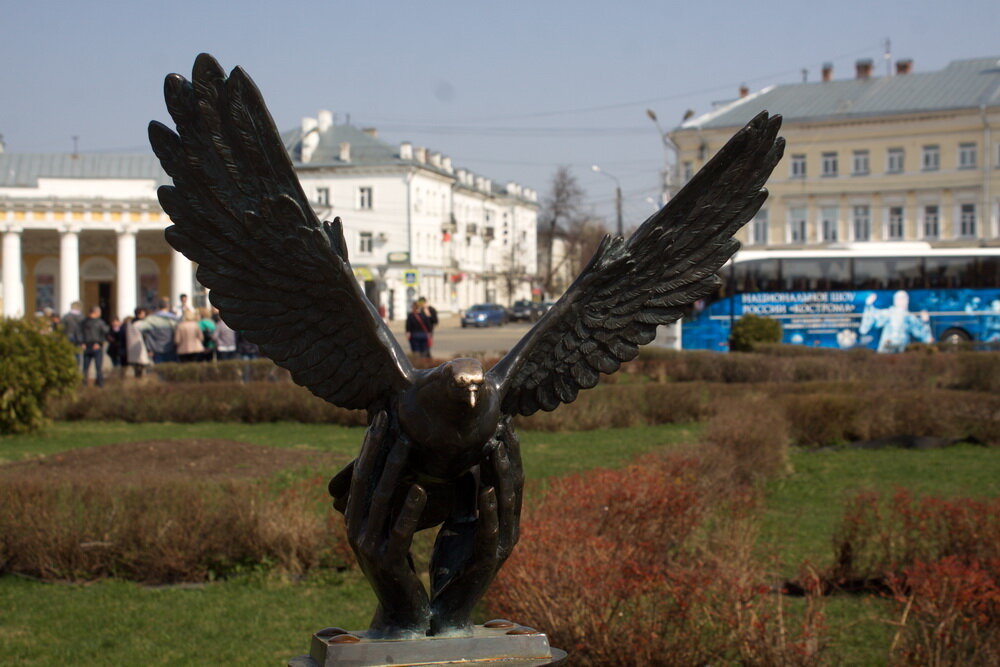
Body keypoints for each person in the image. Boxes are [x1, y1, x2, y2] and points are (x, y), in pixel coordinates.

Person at [859, 290, 934, 353]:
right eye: (899, 298)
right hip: (886, 352)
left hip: (902, 353)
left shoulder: (910, 317)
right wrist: (869, 305)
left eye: (904, 298)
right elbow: (866, 327)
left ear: (907, 300)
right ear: (895, 300)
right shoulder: (889, 313)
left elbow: (925, 336)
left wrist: (925, 322)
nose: (901, 300)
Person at [136, 297, 179, 363]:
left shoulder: (151, 319)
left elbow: (138, 327)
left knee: (159, 370)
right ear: (168, 307)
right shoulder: (174, 319)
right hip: (171, 348)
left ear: (158, 307)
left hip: (157, 350)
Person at [80, 305, 110, 387]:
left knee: (98, 367)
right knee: (86, 367)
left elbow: (105, 332)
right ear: (96, 312)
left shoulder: (98, 322)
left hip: (96, 346)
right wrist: (82, 343)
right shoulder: (85, 322)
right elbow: (80, 333)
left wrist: (99, 343)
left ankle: (99, 383)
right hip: (88, 345)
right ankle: (85, 383)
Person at [124, 307, 151, 377]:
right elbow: (146, 336)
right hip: (140, 347)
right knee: (142, 367)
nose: (144, 315)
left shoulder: (129, 323)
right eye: (143, 313)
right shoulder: (141, 324)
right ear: (139, 314)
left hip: (131, 349)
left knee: (136, 368)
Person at [60, 301, 85, 366]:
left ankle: (69, 366)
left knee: (68, 353)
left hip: (68, 335)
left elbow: (62, 327)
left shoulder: (66, 316)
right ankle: (77, 366)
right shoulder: (82, 317)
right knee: (77, 354)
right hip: (79, 338)